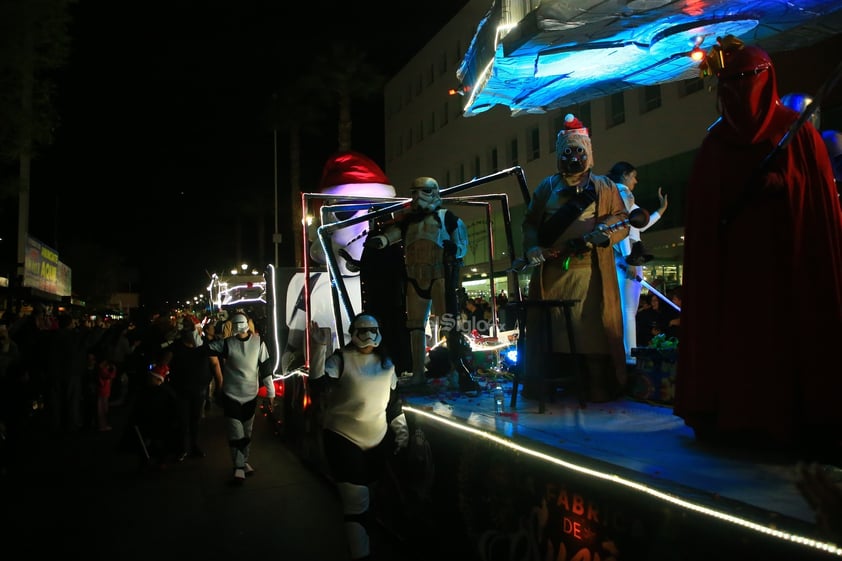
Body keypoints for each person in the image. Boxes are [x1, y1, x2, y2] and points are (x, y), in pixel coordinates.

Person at [675, 36, 842, 455]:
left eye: (746, 80)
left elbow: (816, 201)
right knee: (741, 349)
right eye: (729, 83)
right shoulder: (715, 143)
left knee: (785, 345)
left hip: (787, 265)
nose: (737, 93)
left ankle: (798, 420)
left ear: (764, 80)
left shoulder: (795, 131)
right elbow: (703, 212)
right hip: (734, 275)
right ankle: (734, 419)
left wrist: (783, 184)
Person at [521, 113, 631, 403]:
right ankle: (551, 383)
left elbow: (621, 219)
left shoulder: (605, 187)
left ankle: (597, 384)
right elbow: (531, 223)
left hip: (591, 274)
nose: (574, 157)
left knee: (591, 330)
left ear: (589, 154)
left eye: (579, 151)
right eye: (568, 151)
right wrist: (533, 249)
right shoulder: (547, 187)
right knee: (551, 332)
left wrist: (606, 234)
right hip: (552, 274)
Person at [309, 312, 409, 561]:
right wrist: (319, 348)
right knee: (355, 502)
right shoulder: (341, 359)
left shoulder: (387, 364)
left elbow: (393, 403)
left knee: (367, 500)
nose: (366, 336)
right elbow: (318, 384)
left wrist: (401, 430)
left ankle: (362, 543)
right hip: (343, 438)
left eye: (371, 331)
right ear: (353, 333)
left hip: (377, 440)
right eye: (361, 331)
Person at [365, 176, 477, 394]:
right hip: (414, 277)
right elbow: (393, 235)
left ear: (434, 192)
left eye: (423, 191)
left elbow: (462, 244)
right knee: (415, 327)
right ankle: (418, 372)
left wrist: (455, 250)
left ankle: (456, 371)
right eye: (414, 192)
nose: (417, 196)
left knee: (448, 325)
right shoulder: (409, 221)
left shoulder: (448, 218)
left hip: (439, 276)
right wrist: (381, 241)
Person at [606, 161, 668, 366]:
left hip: (626, 257)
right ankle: (629, 356)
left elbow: (638, 226)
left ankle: (628, 353)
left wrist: (661, 210)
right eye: (634, 176)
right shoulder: (624, 194)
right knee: (628, 311)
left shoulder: (615, 194)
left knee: (627, 310)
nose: (636, 180)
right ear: (624, 176)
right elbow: (625, 226)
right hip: (630, 256)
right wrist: (629, 259)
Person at [207, 311, 276, 483]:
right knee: (236, 432)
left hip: (249, 395)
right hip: (232, 395)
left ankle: (243, 462)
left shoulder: (252, 342)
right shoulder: (229, 343)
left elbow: (266, 369)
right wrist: (270, 393)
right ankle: (238, 465)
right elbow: (266, 370)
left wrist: (271, 392)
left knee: (246, 432)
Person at [168, 316, 214, 460]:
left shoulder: (204, 345)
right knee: (182, 421)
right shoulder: (175, 346)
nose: (199, 333)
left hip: (199, 390)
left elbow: (215, 363)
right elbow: (165, 361)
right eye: (197, 330)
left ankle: (193, 446)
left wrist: (219, 382)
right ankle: (181, 448)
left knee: (195, 420)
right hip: (181, 390)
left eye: (200, 330)